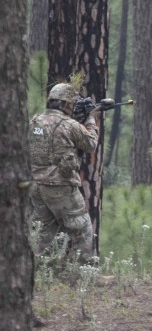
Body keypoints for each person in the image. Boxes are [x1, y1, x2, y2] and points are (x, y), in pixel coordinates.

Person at [29, 82, 99, 266]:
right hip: (60, 186)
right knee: (81, 228)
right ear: (67, 104)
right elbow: (90, 144)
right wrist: (91, 119)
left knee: (43, 233)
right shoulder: (69, 125)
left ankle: (38, 273)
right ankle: (84, 273)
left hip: (36, 186)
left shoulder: (35, 121)